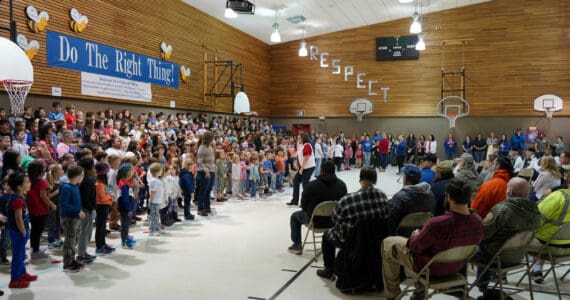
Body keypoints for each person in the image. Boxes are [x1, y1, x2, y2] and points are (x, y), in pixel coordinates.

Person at [381, 178, 484, 300]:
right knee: (430, 248)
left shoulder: (437, 224)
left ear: (448, 197)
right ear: (469, 198)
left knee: (388, 243)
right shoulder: (478, 222)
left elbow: (414, 246)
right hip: (456, 266)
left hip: (430, 268)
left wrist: (416, 235)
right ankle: (419, 291)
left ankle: (393, 295)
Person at [316, 167, 391, 280]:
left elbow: (335, 219)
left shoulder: (348, 200)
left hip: (351, 239)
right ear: (375, 180)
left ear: (360, 179)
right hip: (376, 238)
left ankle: (329, 270)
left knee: (326, 236)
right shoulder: (382, 196)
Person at [472, 177, 541, 291]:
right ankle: (487, 282)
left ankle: (465, 287)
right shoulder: (536, 212)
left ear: (511, 191)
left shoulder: (502, 209)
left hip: (495, 259)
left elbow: (482, 234)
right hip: (518, 257)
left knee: (464, 249)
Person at [288, 161, 347, 254]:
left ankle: (297, 245)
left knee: (295, 216)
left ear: (321, 171)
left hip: (315, 221)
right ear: (334, 171)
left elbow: (303, 205)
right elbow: (344, 204)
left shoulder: (312, 185)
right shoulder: (341, 185)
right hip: (334, 222)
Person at [529, 183, 570, 284]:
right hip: (568, 249)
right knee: (547, 235)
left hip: (549, 247)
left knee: (513, 238)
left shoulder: (558, 196)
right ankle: (537, 269)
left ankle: (500, 273)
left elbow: (535, 220)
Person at [6, 172, 36, 288]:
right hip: (19, 232)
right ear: (19, 187)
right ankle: (14, 280)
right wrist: (23, 231)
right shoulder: (17, 199)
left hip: (19, 231)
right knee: (18, 256)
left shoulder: (18, 197)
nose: (30, 183)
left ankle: (22, 273)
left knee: (21, 254)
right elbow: (18, 218)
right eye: (27, 182)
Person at [389, 164, 435, 236]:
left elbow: (390, 221)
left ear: (405, 178)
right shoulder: (430, 195)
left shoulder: (399, 198)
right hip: (422, 234)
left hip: (401, 236)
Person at [26, 160, 56, 260]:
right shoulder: (42, 183)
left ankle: (34, 247)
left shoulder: (28, 181)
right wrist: (52, 205)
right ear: (41, 171)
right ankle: (35, 251)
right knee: (38, 231)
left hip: (32, 209)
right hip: (41, 210)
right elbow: (44, 197)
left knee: (34, 230)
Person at [60, 165, 87, 272]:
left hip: (75, 217)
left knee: (75, 239)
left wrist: (80, 210)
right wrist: (77, 211)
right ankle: (67, 263)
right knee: (69, 241)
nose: (83, 177)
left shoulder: (75, 186)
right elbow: (64, 204)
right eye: (82, 175)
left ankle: (72, 259)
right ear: (76, 176)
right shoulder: (66, 187)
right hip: (69, 218)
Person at [77, 157, 97, 264]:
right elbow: (85, 198)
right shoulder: (85, 182)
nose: (94, 169)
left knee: (88, 232)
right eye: (93, 167)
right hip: (86, 210)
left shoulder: (88, 180)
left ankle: (84, 252)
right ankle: (80, 255)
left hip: (89, 210)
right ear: (87, 170)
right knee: (84, 233)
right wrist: (90, 208)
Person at [287, 132, 316, 206]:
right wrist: (289, 148)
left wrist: (301, 168)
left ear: (303, 138)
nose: (298, 139)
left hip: (309, 167)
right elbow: (295, 151)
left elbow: (306, 158)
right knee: (295, 181)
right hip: (302, 166)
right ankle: (295, 201)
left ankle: (306, 202)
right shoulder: (299, 144)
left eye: (299, 138)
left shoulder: (307, 145)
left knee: (305, 184)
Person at [94, 162, 115, 255]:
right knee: (100, 227)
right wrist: (110, 196)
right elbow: (102, 198)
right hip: (101, 206)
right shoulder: (99, 184)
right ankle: (99, 246)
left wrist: (109, 195)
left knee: (103, 227)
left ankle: (103, 244)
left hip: (105, 206)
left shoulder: (103, 183)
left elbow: (107, 193)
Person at [196, 131, 216, 216]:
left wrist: (214, 165)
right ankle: (200, 208)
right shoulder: (201, 148)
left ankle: (207, 207)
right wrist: (205, 169)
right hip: (204, 171)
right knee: (203, 190)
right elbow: (199, 161)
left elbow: (212, 159)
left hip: (211, 170)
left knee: (208, 190)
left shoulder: (210, 147)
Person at [148, 163, 164, 236]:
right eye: (161, 170)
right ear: (157, 172)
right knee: (154, 215)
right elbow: (152, 192)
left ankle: (155, 227)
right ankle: (153, 230)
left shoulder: (157, 180)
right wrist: (150, 201)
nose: (162, 172)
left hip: (158, 201)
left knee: (156, 215)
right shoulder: (153, 181)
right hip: (154, 202)